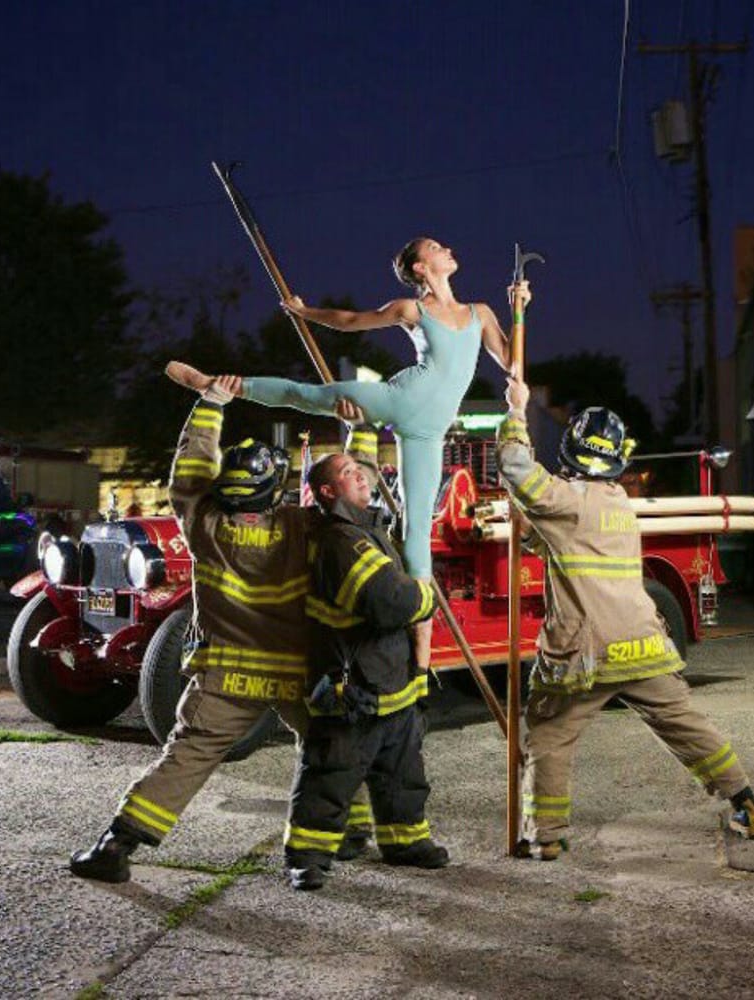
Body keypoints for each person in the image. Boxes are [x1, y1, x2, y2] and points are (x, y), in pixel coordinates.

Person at [165, 237, 528, 666]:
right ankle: (219, 385)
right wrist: (305, 312)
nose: (448, 248)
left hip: (429, 432)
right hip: (399, 398)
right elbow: (352, 320)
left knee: (417, 532)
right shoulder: (412, 310)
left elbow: (512, 363)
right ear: (419, 268)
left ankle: (421, 649)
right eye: (436, 247)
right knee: (308, 395)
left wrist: (519, 308)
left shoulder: (480, 313)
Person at [70, 378, 375, 883]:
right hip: (298, 674)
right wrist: (357, 434)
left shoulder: (204, 525)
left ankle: (115, 846)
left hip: (225, 679)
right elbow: (350, 496)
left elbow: (187, 477)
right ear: (275, 489)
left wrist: (211, 405)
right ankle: (348, 832)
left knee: (186, 757)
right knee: (331, 745)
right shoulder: (305, 527)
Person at [496, 372, 754, 861]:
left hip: (584, 654)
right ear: (617, 458)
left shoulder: (564, 499)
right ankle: (743, 799)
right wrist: (534, 532)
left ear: (572, 451)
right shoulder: (620, 504)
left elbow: (515, 467)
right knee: (683, 723)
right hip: (643, 645)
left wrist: (515, 411)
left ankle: (546, 836)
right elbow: (566, 540)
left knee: (550, 738)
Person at [283, 448, 448, 891]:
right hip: (352, 691)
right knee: (330, 775)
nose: (359, 475)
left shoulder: (368, 530)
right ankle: (308, 856)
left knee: (402, 774)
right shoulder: (340, 539)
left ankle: (405, 842)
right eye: (346, 472)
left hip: (388, 685)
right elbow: (387, 601)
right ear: (326, 490)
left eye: (359, 468)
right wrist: (428, 597)